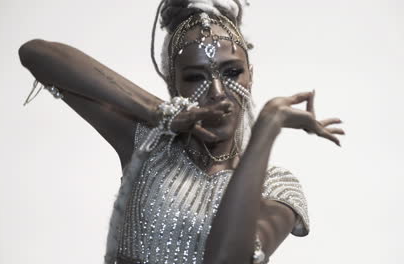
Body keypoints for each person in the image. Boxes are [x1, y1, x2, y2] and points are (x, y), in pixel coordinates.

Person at [18, 1, 344, 263]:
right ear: (172, 83)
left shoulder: (279, 187)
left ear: (250, 76)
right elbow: (37, 54)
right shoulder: (149, 144)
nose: (217, 91)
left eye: (232, 72)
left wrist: (268, 124)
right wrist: (159, 112)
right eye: (194, 77)